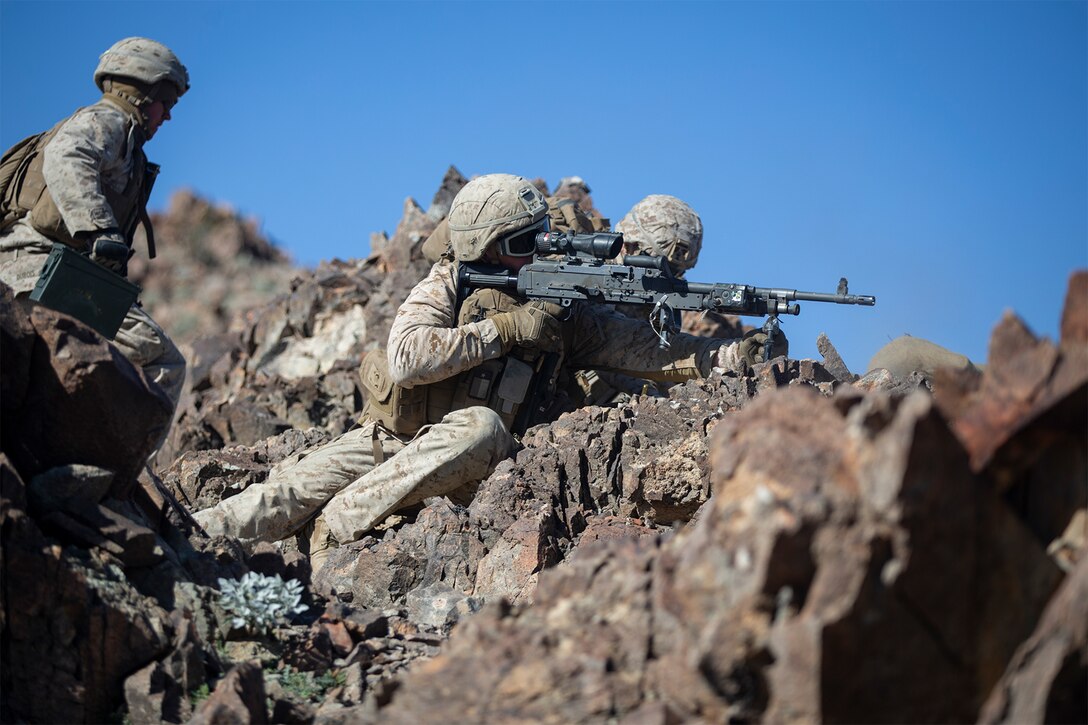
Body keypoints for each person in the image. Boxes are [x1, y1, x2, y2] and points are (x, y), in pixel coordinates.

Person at [193, 174, 782, 572]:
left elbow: (643, 351)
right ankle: (173, 537)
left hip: (472, 454)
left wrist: (734, 356)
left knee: (478, 426)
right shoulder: (449, 282)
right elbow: (407, 356)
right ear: (488, 246)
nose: (540, 248)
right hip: (391, 437)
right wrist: (505, 330)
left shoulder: (561, 307)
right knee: (282, 495)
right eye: (525, 241)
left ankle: (333, 534)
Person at [0, 37, 189, 411]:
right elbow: (66, 155)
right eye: (165, 101)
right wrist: (101, 230)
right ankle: (126, 464)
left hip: (42, 270)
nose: (167, 115)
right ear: (139, 92)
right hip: (36, 270)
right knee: (161, 360)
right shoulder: (110, 121)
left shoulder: (124, 138)